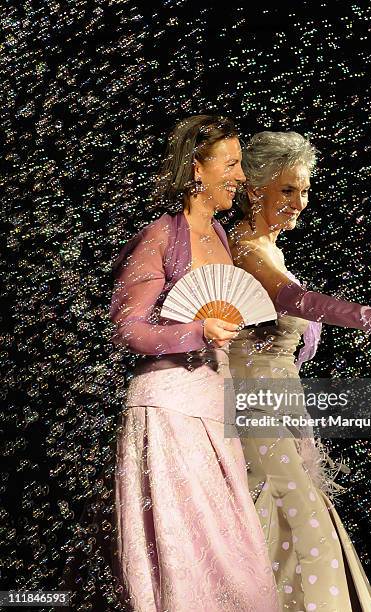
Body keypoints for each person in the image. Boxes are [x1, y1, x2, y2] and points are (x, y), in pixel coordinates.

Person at [227, 131, 371, 612]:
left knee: (284, 523)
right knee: (303, 524)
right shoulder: (247, 250)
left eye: (305, 189)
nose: (301, 201)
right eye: (287, 189)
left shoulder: (266, 248)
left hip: (278, 399)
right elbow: (297, 302)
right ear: (255, 189)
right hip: (255, 402)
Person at [109, 116, 279, 612]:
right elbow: (128, 327)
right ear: (196, 169)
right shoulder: (161, 236)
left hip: (213, 407)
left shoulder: (223, 237)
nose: (243, 176)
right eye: (231, 164)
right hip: (170, 410)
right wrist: (194, 332)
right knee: (192, 553)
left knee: (233, 548)